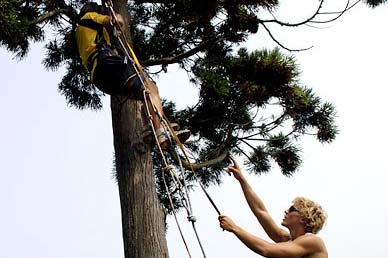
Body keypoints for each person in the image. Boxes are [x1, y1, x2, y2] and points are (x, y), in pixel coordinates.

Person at [75, 2, 190, 147]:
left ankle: (152, 129)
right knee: (150, 87)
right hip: (107, 63)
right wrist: (113, 14)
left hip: (100, 77)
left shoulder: (83, 31)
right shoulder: (89, 16)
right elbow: (117, 22)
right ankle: (159, 131)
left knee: (143, 94)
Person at [218, 157, 328, 258]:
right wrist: (241, 179)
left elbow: (266, 249)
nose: (286, 211)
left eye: (292, 209)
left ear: (304, 218)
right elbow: (260, 211)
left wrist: (234, 228)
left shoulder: (312, 241)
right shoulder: (288, 240)